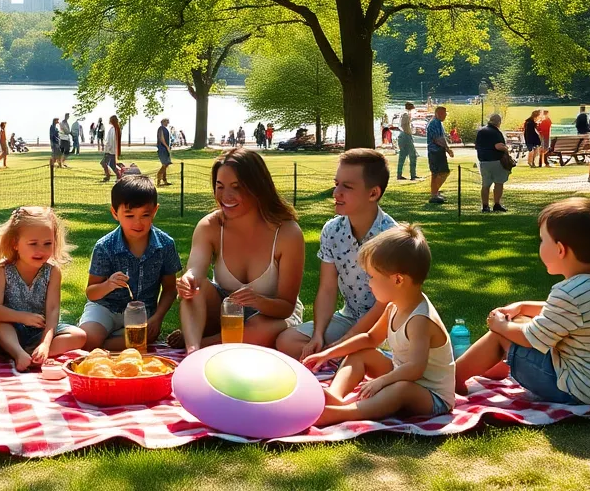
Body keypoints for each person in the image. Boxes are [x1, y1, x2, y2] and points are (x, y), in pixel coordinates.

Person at [454, 198, 590, 408]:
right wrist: (521, 306)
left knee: (502, 334)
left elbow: (530, 338)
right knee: (520, 320)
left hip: (578, 391)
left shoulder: (568, 293)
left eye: (542, 240)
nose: (539, 245)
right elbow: (559, 312)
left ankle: (453, 377)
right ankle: (491, 368)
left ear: (560, 250)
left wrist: (500, 326)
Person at [305, 224, 455, 426]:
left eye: (373, 277)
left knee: (400, 389)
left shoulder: (420, 320)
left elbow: (415, 369)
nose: (369, 283)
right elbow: (370, 338)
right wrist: (328, 353)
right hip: (402, 374)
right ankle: (334, 397)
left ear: (398, 280)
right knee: (361, 353)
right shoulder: (394, 306)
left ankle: (344, 413)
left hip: (431, 396)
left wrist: (382, 381)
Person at [172, 147, 306, 352]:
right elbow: (196, 271)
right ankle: (192, 350)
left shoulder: (288, 233)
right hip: (224, 311)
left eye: (237, 187)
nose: (227, 196)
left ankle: (204, 347)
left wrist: (258, 301)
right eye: (220, 186)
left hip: (272, 315)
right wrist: (189, 279)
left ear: (257, 187)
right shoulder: (210, 226)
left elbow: (285, 307)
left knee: (259, 331)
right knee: (196, 289)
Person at [276, 149, 398, 361]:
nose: (336, 193)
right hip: (349, 317)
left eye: (347, 187)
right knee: (286, 341)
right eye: (336, 184)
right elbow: (327, 288)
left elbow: (385, 305)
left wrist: (346, 341)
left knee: (365, 354)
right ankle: (341, 361)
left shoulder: (392, 238)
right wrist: (318, 335)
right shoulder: (332, 230)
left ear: (373, 193)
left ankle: (347, 360)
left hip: (387, 326)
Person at [80, 176, 181, 351]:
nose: (138, 222)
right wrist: (109, 284)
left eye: (145, 215)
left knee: (140, 341)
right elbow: (92, 293)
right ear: (114, 213)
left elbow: (170, 289)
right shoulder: (105, 246)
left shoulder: (165, 244)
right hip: (105, 307)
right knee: (88, 338)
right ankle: (102, 339)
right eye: (129, 215)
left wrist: (157, 318)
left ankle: (105, 343)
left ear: (155, 211)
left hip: (142, 312)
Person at [0, 206, 86, 371]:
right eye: (33, 244)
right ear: (15, 243)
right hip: (9, 331)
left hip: (39, 331)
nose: (41, 250)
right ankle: (17, 352)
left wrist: (46, 344)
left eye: (48, 243)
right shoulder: (3, 270)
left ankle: (34, 354)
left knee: (79, 336)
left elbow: (53, 310)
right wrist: (22, 317)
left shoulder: (52, 271)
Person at [475, 114, 510, 213]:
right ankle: (497, 204)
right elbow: (498, 146)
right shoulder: (496, 132)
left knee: (485, 184)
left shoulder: (481, 131)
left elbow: (476, 146)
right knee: (499, 183)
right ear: (499, 122)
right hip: (496, 160)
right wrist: (506, 149)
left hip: (483, 161)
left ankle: (485, 206)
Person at [426, 106, 453, 205]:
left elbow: (442, 137)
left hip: (438, 151)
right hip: (435, 152)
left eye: (445, 113)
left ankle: (435, 193)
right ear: (437, 113)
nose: (445, 115)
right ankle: (434, 194)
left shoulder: (438, 123)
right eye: (443, 113)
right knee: (442, 172)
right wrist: (447, 149)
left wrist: (446, 148)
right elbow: (437, 139)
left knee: (437, 173)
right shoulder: (434, 123)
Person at [396, 102, 419, 181]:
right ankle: (413, 175)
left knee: (402, 156)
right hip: (406, 136)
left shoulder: (405, 113)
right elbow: (404, 125)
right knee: (413, 155)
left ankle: (399, 175)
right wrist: (409, 133)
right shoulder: (406, 114)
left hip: (403, 136)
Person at [100, 114, 123, 181]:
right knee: (110, 164)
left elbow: (113, 140)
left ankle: (110, 176)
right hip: (110, 149)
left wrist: (108, 148)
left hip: (110, 150)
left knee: (105, 163)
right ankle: (116, 176)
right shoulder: (113, 128)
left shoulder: (115, 129)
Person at [156, 118, 173, 186]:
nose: (168, 123)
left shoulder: (165, 129)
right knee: (164, 164)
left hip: (165, 148)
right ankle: (158, 180)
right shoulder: (161, 129)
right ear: (163, 122)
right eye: (167, 122)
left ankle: (164, 180)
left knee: (166, 164)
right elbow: (161, 138)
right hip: (162, 148)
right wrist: (167, 146)